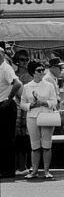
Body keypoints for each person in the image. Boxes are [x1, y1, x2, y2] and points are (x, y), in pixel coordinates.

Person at [21, 60, 57, 179]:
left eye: (43, 70)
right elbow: (22, 103)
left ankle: (46, 170)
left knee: (47, 144)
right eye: (39, 70)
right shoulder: (26, 86)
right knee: (34, 145)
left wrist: (44, 102)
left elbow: (54, 101)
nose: (42, 72)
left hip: (46, 116)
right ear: (33, 72)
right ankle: (34, 170)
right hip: (32, 116)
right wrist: (30, 106)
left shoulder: (49, 85)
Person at [0, 47, 22, 179]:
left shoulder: (5, 68)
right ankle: (4, 168)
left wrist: (9, 99)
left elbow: (17, 84)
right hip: (3, 104)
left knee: (6, 139)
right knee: (2, 139)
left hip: (5, 106)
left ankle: (8, 170)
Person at [14, 49, 33, 176]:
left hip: (27, 108)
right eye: (22, 60)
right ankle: (17, 165)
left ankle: (25, 165)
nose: (24, 62)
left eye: (26, 60)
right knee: (16, 138)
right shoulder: (13, 74)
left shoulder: (31, 75)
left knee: (27, 138)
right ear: (17, 61)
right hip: (16, 108)